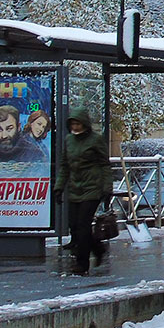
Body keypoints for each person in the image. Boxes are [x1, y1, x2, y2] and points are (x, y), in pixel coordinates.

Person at [55, 104, 113, 275]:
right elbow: (65, 165)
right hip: (75, 188)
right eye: (72, 124)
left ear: (84, 124)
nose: (75, 127)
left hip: (92, 188)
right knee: (74, 225)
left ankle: (82, 264)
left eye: (78, 124)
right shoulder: (69, 141)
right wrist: (59, 187)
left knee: (83, 225)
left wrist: (107, 188)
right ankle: (98, 248)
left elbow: (104, 164)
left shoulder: (95, 140)